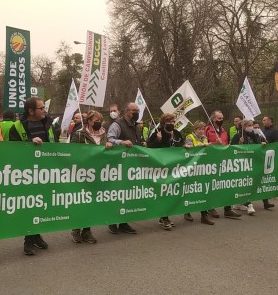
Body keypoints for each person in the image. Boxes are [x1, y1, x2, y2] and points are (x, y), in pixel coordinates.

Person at [8, 97, 52, 255]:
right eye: (41, 108)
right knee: (29, 206)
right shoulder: (17, 127)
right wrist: (29, 143)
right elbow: (12, 149)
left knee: (41, 205)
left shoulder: (48, 123)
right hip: (27, 174)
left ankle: (37, 235)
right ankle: (28, 240)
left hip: (46, 172)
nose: (44, 111)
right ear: (31, 111)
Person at [70, 110, 112, 243]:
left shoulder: (104, 134)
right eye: (96, 121)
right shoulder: (79, 134)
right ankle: (76, 229)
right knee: (81, 202)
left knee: (92, 202)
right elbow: (72, 153)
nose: (99, 123)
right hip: (83, 174)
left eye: (100, 120)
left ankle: (87, 231)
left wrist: (109, 145)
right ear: (88, 121)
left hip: (98, 173)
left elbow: (107, 151)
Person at [147, 113, 190, 230]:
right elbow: (149, 146)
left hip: (175, 167)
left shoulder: (176, 133)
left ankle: (165, 217)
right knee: (164, 192)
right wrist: (158, 140)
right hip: (162, 167)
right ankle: (164, 217)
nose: (171, 123)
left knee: (172, 192)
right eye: (168, 121)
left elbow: (180, 144)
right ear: (163, 122)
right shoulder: (157, 131)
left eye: (172, 121)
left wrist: (185, 146)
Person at [106, 102, 144, 234]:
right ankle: (111, 220)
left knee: (127, 195)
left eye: (138, 110)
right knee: (115, 194)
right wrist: (121, 142)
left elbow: (137, 142)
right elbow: (110, 139)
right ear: (127, 111)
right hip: (117, 166)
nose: (137, 113)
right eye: (134, 111)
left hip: (131, 167)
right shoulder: (117, 124)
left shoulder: (137, 127)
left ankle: (123, 222)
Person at [204, 110, 242, 219]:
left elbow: (226, 143)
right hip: (210, 161)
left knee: (227, 183)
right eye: (219, 118)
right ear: (213, 119)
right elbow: (202, 144)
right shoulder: (207, 129)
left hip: (223, 161)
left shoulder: (224, 130)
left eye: (222, 118)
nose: (221, 120)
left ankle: (228, 209)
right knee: (212, 185)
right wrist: (214, 143)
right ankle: (210, 207)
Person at [230, 119, 266, 215]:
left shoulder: (255, 135)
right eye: (249, 125)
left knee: (249, 183)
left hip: (252, 163)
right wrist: (239, 144)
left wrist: (261, 144)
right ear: (243, 127)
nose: (251, 127)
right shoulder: (238, 136)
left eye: (251, 125)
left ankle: (238, 203)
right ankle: (249, 204)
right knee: (245, 183)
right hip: (242, 164)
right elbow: (231, 148)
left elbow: (257, 146)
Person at [184, 121, 215, 225]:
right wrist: (201, 146)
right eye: (199, 129)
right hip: (192, 168)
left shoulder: (204, 137)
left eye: (203, 129)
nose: (201, 131)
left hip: (203, 168)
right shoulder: (190, 137)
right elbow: (189, 149)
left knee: (203, 191)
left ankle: (204, 215)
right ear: (195, 129)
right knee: (190, 191)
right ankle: (186, 212)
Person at [261, 115, 278, 209]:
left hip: (269, 158)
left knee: (266, 180)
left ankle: (266, 201)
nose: (263, 121)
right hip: (261, 157)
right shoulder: (262, 131)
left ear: (270, 121)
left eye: (264, 120)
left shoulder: (275, 131)